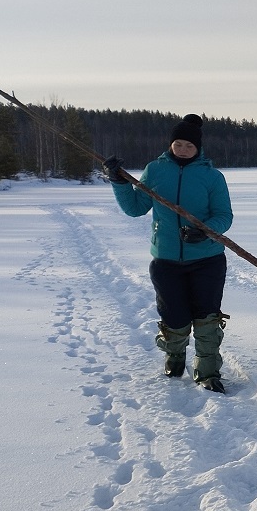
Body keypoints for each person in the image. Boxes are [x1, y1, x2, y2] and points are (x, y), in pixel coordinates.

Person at [104, 114, 234, 393]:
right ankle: (174, 356)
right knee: (173, 313)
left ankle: (208, 370)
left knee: (206, 315)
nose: (184, 149)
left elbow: (224, 215)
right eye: (178, 144)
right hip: (166, 259)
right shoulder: (155, 171)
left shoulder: (212, 176)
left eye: (189, 145)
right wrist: (119, 182)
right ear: (170, 145)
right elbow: (135, 208)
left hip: (207, 259)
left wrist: (205, 230)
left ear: (198, 147)